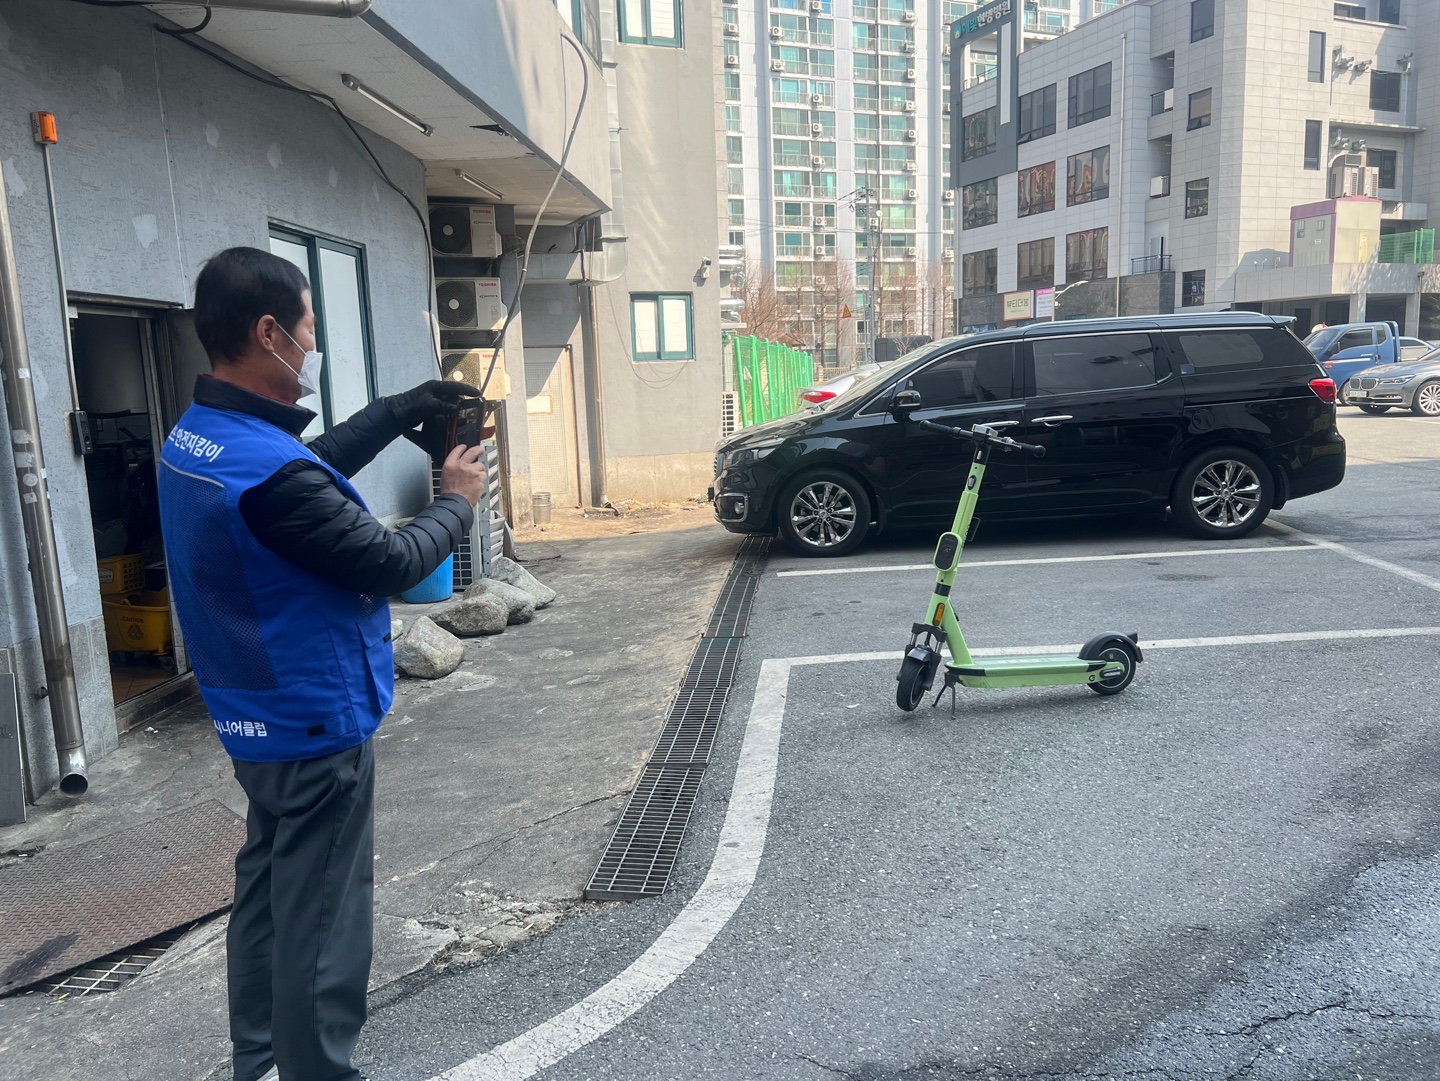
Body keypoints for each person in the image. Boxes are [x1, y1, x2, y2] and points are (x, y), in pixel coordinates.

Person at [156, 246, 488, 1081]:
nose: (312, 345)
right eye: (307, 329)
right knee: (325, 926)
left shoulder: (200, 437)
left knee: (270, 898)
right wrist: (457, 501)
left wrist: (398, 410)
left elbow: (308, 469)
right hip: (313, 723)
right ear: (269, 333)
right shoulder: (267, 473)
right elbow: (388, 561)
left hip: (253, 712)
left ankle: (261, 1061)